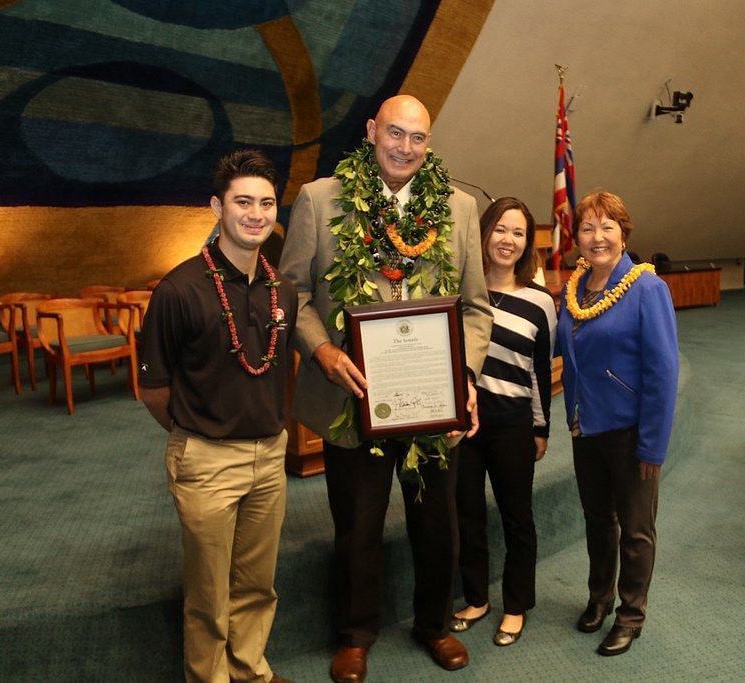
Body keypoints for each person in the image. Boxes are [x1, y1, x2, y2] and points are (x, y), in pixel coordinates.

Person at [279, 94, 492, 682]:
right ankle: (355, 634)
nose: (404, 147)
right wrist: (320, 349)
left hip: (433, 402)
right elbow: (291, 293)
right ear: (373, 131)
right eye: (394, 133)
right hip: (351, 400)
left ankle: (435, 625)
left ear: (429, 143)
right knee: (358, 526)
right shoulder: (321, 201)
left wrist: (466, 376)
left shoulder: (458, 208)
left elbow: (475, 308)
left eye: (417, 138)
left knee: (436, 526)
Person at [138, 150, 297, 683]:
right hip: (206, 459)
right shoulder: (178, 290)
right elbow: (153, 389)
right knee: (208, 594)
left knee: (257, 584)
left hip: (270, 459)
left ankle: (251, 670)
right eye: (243, 201)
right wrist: (198, 433)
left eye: (267, 203)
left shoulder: (284, 291)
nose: (256, 213)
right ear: (216, 207)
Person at [557, 191, 679, 657]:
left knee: (635, 529)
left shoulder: (647, 288)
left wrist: (652, 447)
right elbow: (561, 347)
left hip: (631, 433)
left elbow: (663, 373)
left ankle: (631, 615)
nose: (596, 236)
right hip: (585, 427)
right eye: (587, 228)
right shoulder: (574, 290)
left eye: (607, 226)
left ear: (623, 233)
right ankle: (598, 598)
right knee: (596, 521)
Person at [449, 198, 556, 647]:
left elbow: (540, 371)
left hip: (513, 423)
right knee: (467, 515)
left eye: (518, 233)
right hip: (464, 424)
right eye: (500, 230)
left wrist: (540, 427)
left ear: (527, 243)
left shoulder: (540, 302)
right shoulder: (458, 294)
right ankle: (477, 598)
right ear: (484, 233)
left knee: (517, 518)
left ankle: (516, 605)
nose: (507, 241)